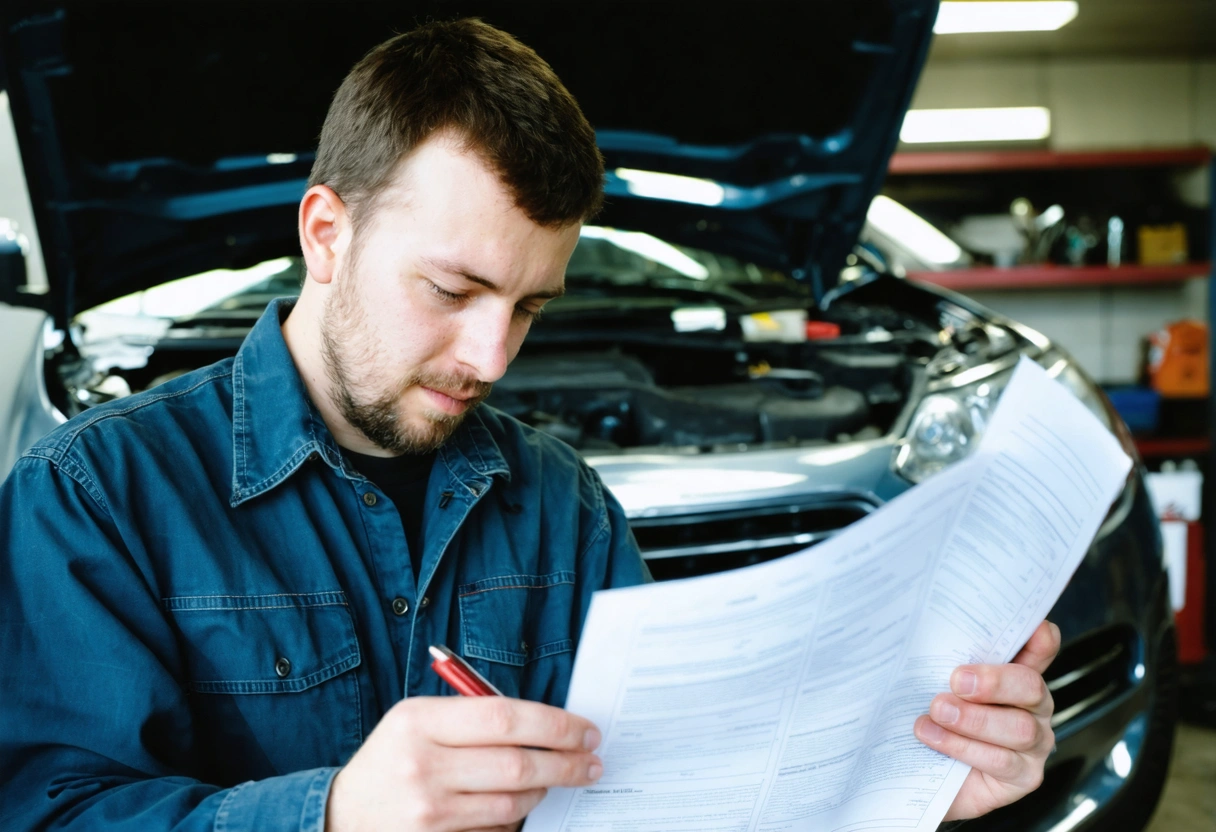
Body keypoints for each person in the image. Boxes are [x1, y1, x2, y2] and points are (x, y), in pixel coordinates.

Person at [0, 18, 1060, 832]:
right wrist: (326, 812)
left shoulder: (563, 508)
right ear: (327, 233)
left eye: (528, 306)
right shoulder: (96, 493)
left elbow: (672, 798)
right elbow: (44, 810)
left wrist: (906, 786)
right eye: (452, 290)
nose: (490, 358)